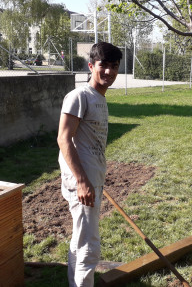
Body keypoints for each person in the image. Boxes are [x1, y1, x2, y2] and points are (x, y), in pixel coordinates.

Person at [57, 41, 122, 287]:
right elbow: (63, 139)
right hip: (81, 183)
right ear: (91, 65)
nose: (109, 72)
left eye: (114, 66)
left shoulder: (99, 98)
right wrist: (83, 182)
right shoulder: (79, 96)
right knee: (88, 246)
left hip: (91, 180)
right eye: (103, 65)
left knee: (81, 240)